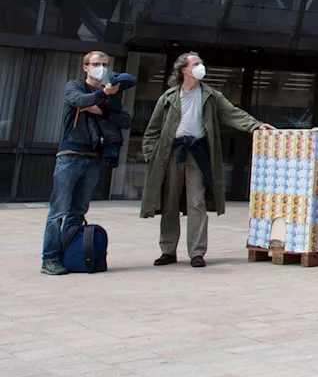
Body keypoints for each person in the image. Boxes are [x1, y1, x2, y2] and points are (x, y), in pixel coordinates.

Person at [140, 52, 273, 268]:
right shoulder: (169, 97)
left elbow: (233, 113)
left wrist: (255, 125)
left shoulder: (211, 96)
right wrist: (151, 156)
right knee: (169, 202)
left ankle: (197, 252)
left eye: (201, 62)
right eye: (196, 63)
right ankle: (167, 250)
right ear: (184, 69)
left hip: (198, 153)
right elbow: (152, 130)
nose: (201, 66)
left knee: (197, 203)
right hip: (171, 153)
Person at [40, 51, 127, 275]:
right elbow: (78, 100)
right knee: (58, 211)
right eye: (96, 64)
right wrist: (101, 97)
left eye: (105, 64)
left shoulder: (110, 93)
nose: (101, 68)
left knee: (78, 211)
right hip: (70, 155)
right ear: (86, 67)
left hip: (94, 158)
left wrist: (101, 108)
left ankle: (69, 256)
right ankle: (49, 259)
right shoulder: (74, 86)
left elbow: (124, 119)